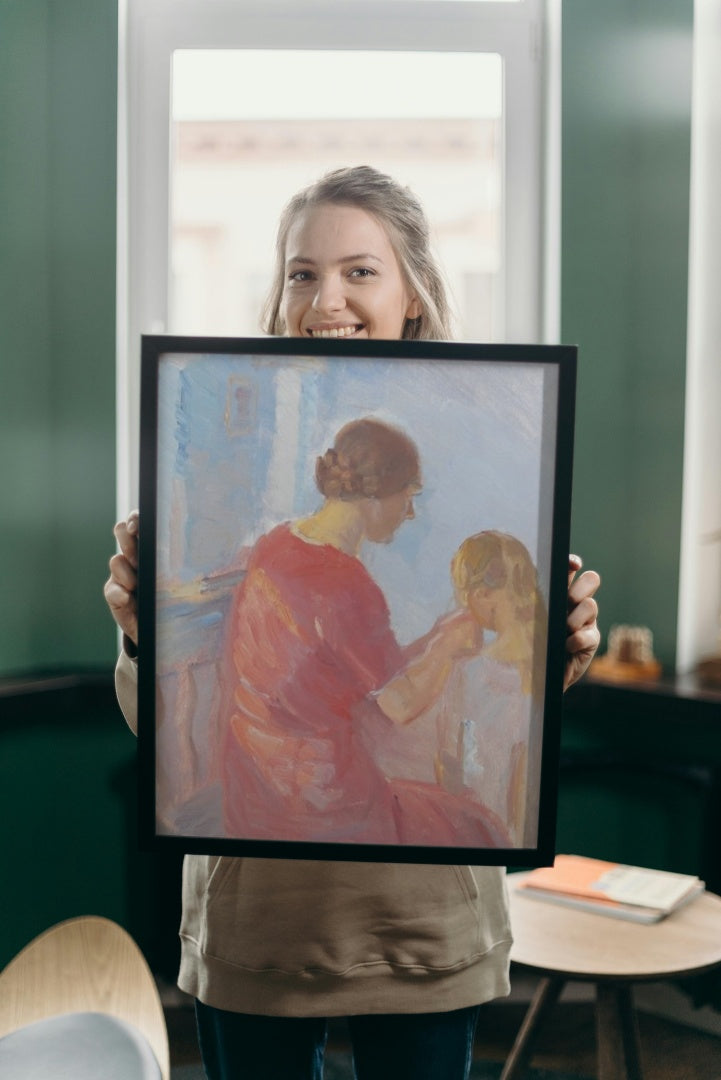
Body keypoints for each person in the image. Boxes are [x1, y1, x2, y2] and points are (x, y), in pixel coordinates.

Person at [105, 165, 601, 1080]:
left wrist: (553, 658)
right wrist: (141, 637)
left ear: (413, 292)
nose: (324, 297)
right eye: (301, 272)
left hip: (409, 931)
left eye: (359, 271)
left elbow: (382, 694)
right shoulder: (321, 574)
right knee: (452, 812)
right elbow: (386, 706)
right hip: (265, 914)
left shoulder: (279, 549)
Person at [221, 415, 510, 849]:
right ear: (375, 495)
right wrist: (447, 648)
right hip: (320, 805)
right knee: (480, 828)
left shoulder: (277, 544)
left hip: (251, 790)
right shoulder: (346, 583)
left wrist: (432, 640)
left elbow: (355, 667)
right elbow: (400, 703)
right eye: (408, 496)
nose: (410, 513)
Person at [435, 531, 548, 846]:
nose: (464, 604)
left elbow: (449, 769)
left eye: (464, 592)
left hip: (477, 835)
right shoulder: (543, 670)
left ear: (484, 593)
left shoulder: (467, 674)